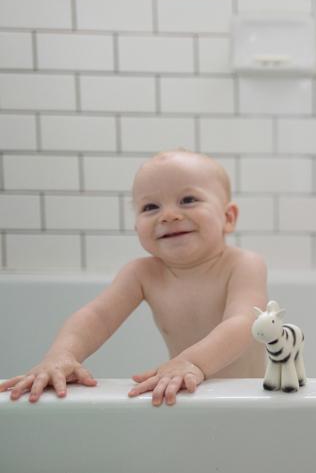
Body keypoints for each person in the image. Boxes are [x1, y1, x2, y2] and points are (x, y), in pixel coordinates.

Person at [0, 149, 267, 406]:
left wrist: (194, 362)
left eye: (188, 200)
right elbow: (98, 317)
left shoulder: (242, 265)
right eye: (151, 206)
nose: (169, 215)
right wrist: (62, 354)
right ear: (136, 226)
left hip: (248, 398)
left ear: (228, 217)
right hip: (188, 391)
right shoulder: (142, 273)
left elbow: (242, 323)